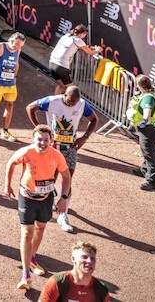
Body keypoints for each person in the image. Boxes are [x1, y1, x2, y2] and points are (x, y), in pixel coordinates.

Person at [5, 125, 72, 291]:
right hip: (27, 197)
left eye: (46, 140)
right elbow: (11, 163)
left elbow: (66, 176)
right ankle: (25, 274)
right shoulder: (26, 152)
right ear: (33, 139)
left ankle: (33, 257)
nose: (42, 143)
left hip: (46, 198)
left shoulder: (56, 156)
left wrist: (63, 198)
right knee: (27, 233)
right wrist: (7, 185)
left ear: (51, 140)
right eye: (39, 139)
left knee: (40, 228)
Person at [27, 86, 98, 233]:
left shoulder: (82, 104)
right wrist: (41, 130)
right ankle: (45, 207)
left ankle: (63, 215)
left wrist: (84, 138)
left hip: (70, 148)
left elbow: (94, 120)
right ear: (64, 95)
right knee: (49, 178)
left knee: (68, 179)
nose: (72, 104)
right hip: (52, 148)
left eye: (75, 102)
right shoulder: (52, 101)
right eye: (69, 101)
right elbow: (30, 108)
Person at [128, 73, 155, 191]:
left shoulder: (148, 98)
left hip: (150, 128)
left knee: (149, 152)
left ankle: (152, 180)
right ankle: (145, 170)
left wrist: (144, 121)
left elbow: (147, 110)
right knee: (146, 150)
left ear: (139, 85)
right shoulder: (152, 91)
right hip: (154, 126)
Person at [38, 241, 110, 302]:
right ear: (73, 259)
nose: (89, 261)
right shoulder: (57, 282)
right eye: (84, 257)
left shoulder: (101, 290)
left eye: (92, 258)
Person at [48, 25, 103, 94]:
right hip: (61, 66)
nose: (84, 37)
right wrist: (98, 50)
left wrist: (90, 47)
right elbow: (90, 52)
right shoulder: (78, 40)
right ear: (83, 33)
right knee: (72, 90)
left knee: (62, 86)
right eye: (85, 35)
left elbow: (79, 46)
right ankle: (71, 103)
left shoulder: (67, 36)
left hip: (52, 63)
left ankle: (54, 103)